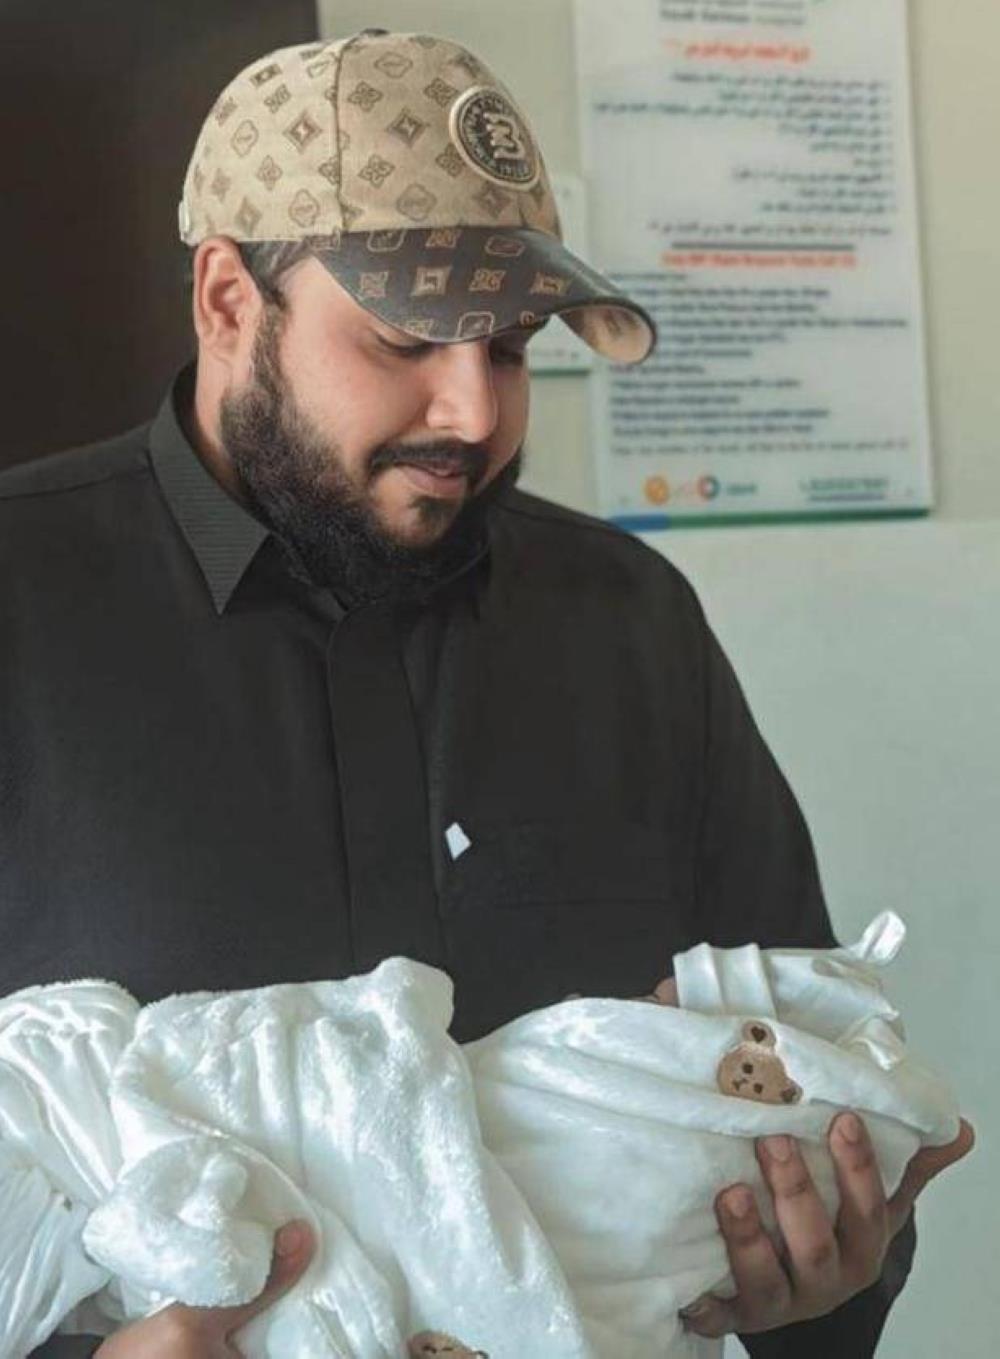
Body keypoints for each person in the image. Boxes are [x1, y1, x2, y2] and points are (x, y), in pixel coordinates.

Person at [0, 27, 970, 1359]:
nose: (473, 411)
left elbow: (799, 1068)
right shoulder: (23, 605)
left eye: (511, 349)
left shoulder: (630, 625)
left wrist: (830, 1277)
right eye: (408, 340)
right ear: (227, 300)